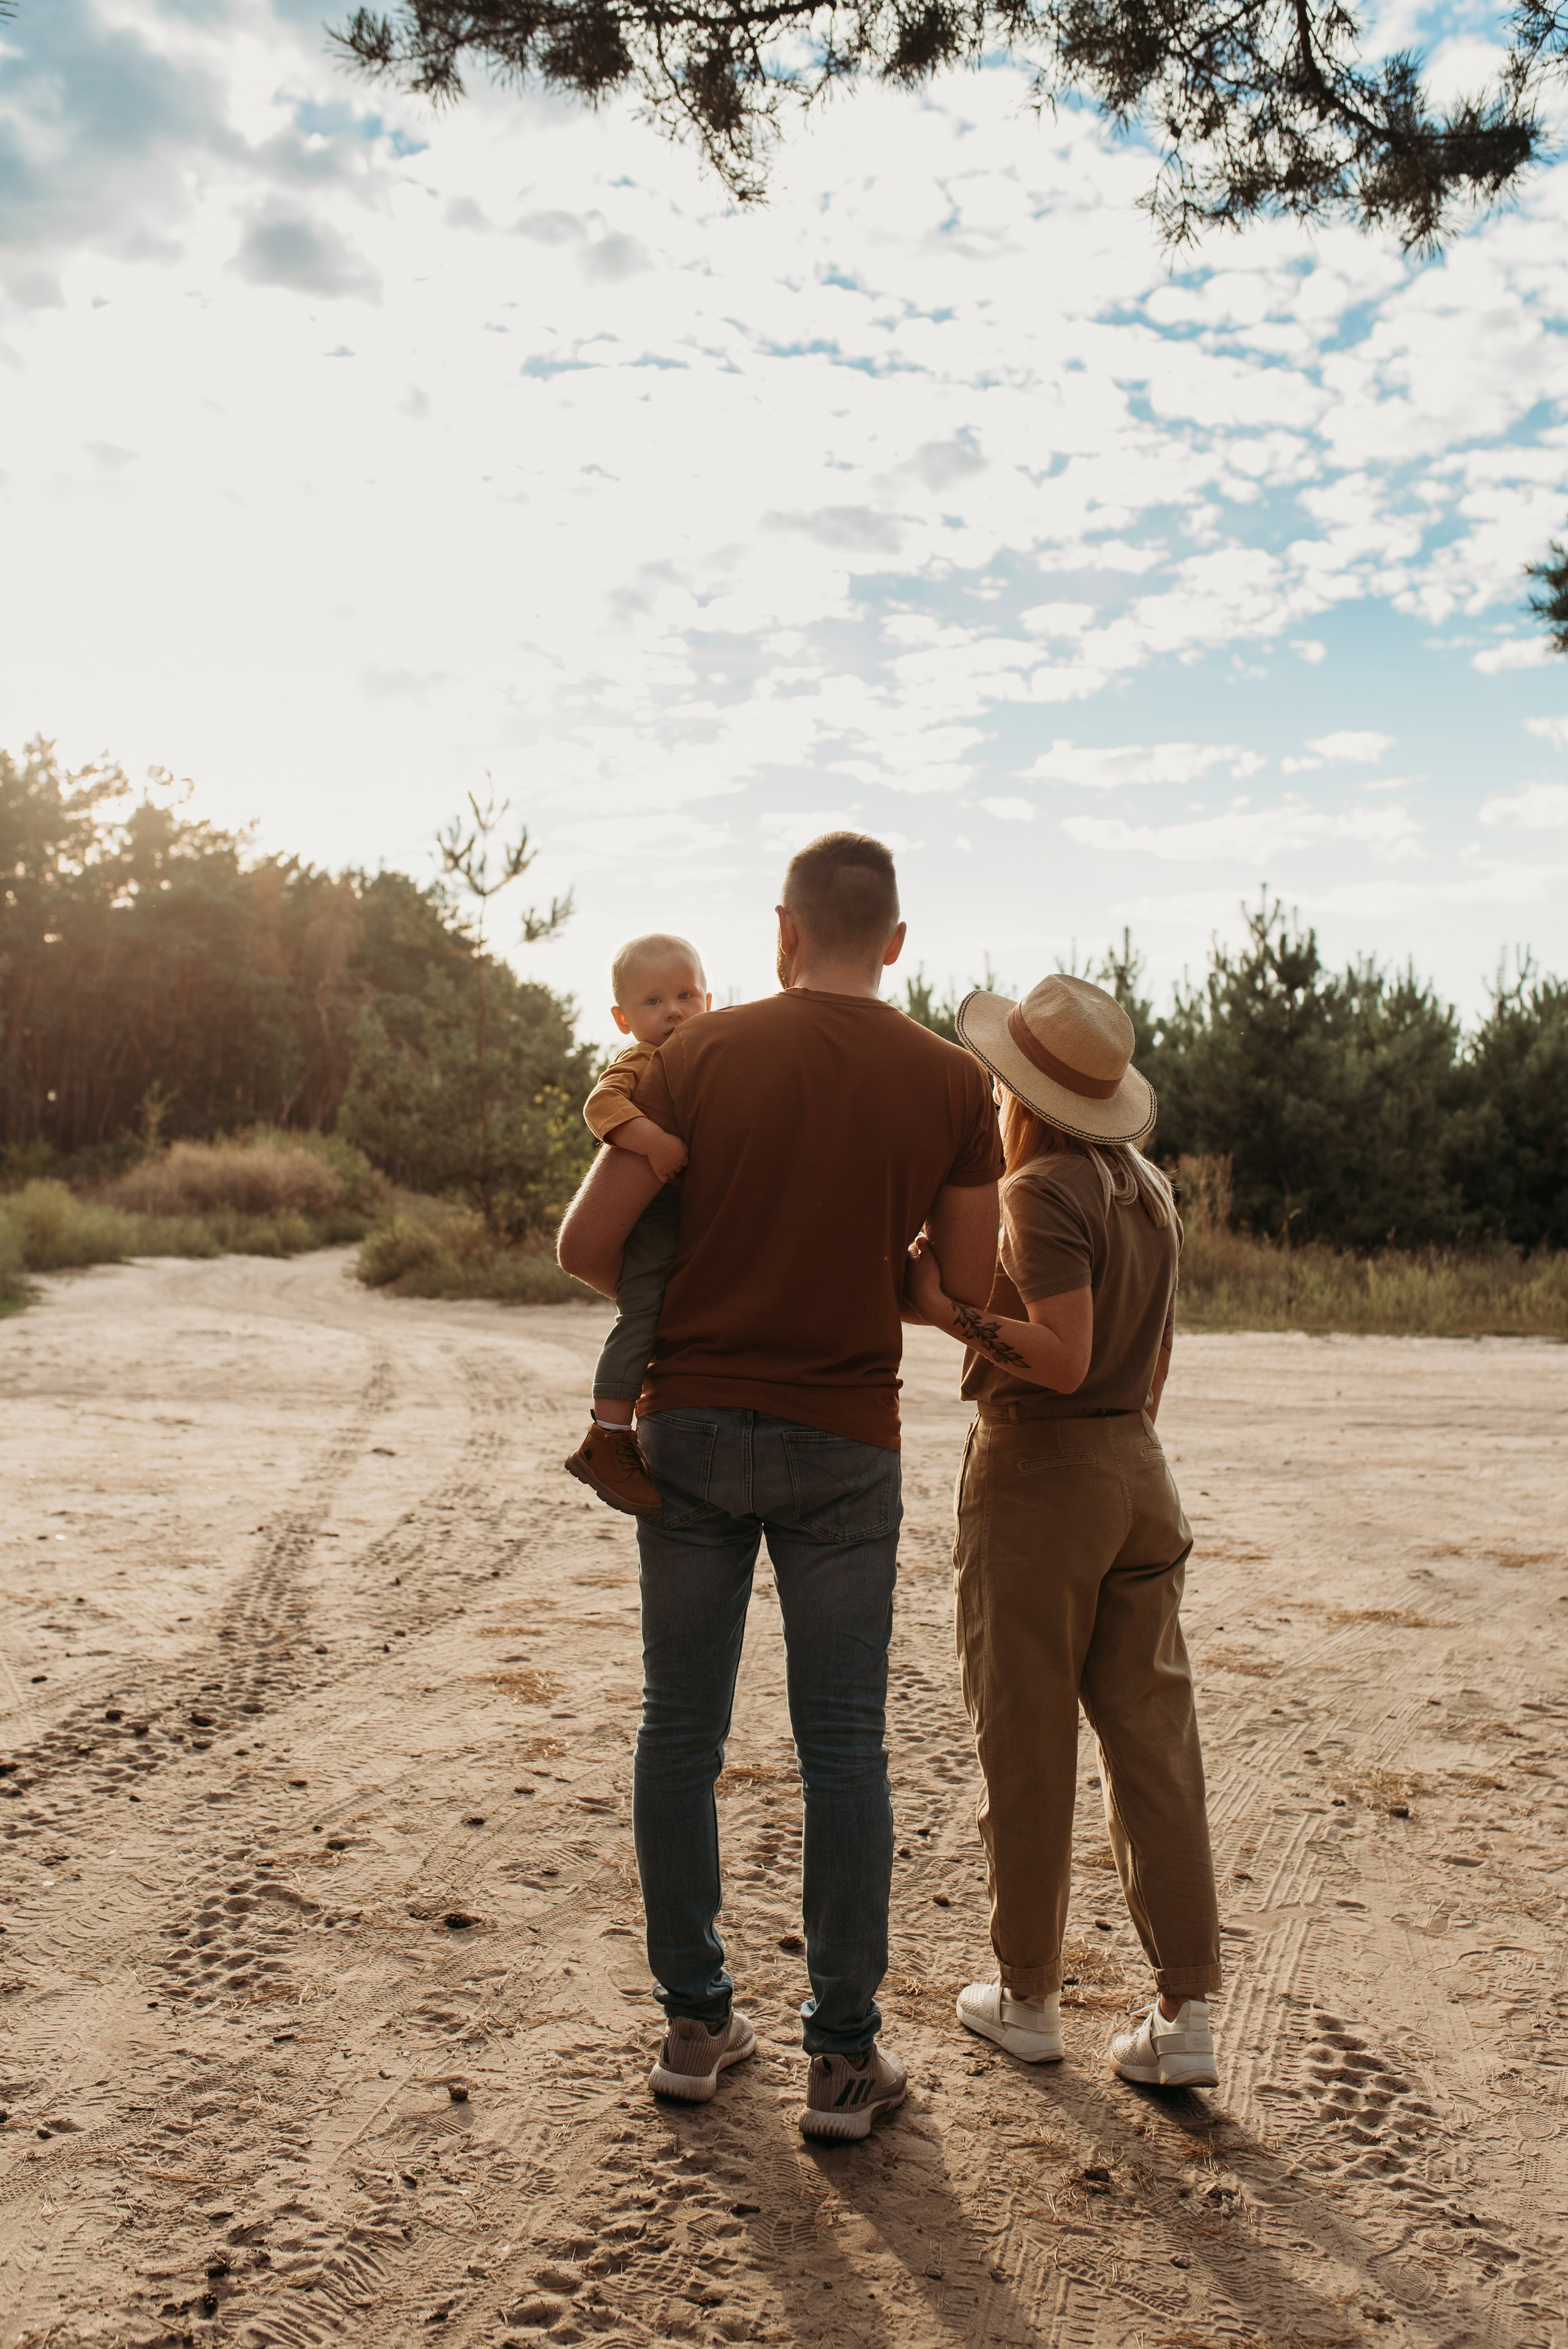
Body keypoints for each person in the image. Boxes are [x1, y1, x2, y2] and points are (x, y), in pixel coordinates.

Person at [557, 834, 1003, 2140]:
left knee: (678, 1731)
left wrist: (694, 1295)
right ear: (899, 944)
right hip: (845, 1441)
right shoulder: (951, 1082)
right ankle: (843, 2059)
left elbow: (587, 1244)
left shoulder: (687, 1058)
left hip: (687, 1427)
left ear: (782, 934)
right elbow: (963, 1295)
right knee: (842, 1744)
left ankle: (696, 2025)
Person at [904, 971, 1222, 2089]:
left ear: (1017, 1086)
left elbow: (1062, 1352)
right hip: (1140, 1472)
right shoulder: (1148, 1188)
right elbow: (1151, 1367)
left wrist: (943, 1307)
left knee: (1027, 1736)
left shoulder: (1038, 1186)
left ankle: (1029, 1995)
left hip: (1043, 1475)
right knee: (1154, 1745)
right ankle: (1184, 2018)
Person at [564, 933, 710, 1517]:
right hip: (654, 1218)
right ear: (624, 1019)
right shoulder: (641, 1059)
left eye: (685, 994)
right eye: (653, 1002)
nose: (673, 1010)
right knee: (643, 1312)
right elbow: (600, 1107)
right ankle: (607, 1435)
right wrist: (652, 1143)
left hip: (691, 1215)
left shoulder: (704, 1055)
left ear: (707, 998)